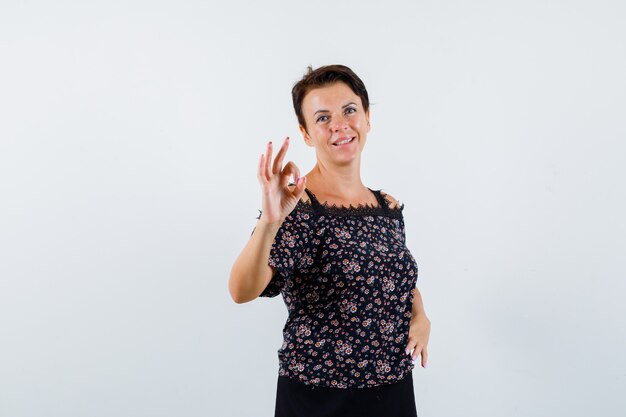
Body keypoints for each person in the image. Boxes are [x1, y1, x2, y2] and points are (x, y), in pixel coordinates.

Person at [229, 64, 431, 417]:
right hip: (320, 399)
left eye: (349, 110)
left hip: (393, 391)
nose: (340, 124)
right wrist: (269, 222)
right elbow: (241, 290)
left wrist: (421, 315)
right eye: (323, 118)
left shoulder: (387, 206)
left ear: (367, 118)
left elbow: (394, 277)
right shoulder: (298, 204)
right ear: (306, 134)